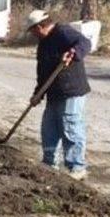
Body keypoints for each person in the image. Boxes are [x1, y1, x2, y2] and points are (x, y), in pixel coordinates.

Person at [27, 10, 92, 180]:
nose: (33, 34)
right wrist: (37, 95)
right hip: (54, 92)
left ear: (40, 26)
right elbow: (43, 73)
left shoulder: (62, 31)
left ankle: (77, 167)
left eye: (33, 31)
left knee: (70, 126)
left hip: (71, 90)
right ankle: (49, 163)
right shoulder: (43, 43)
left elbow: (84, 42)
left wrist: (73, 53)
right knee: (48, 128)